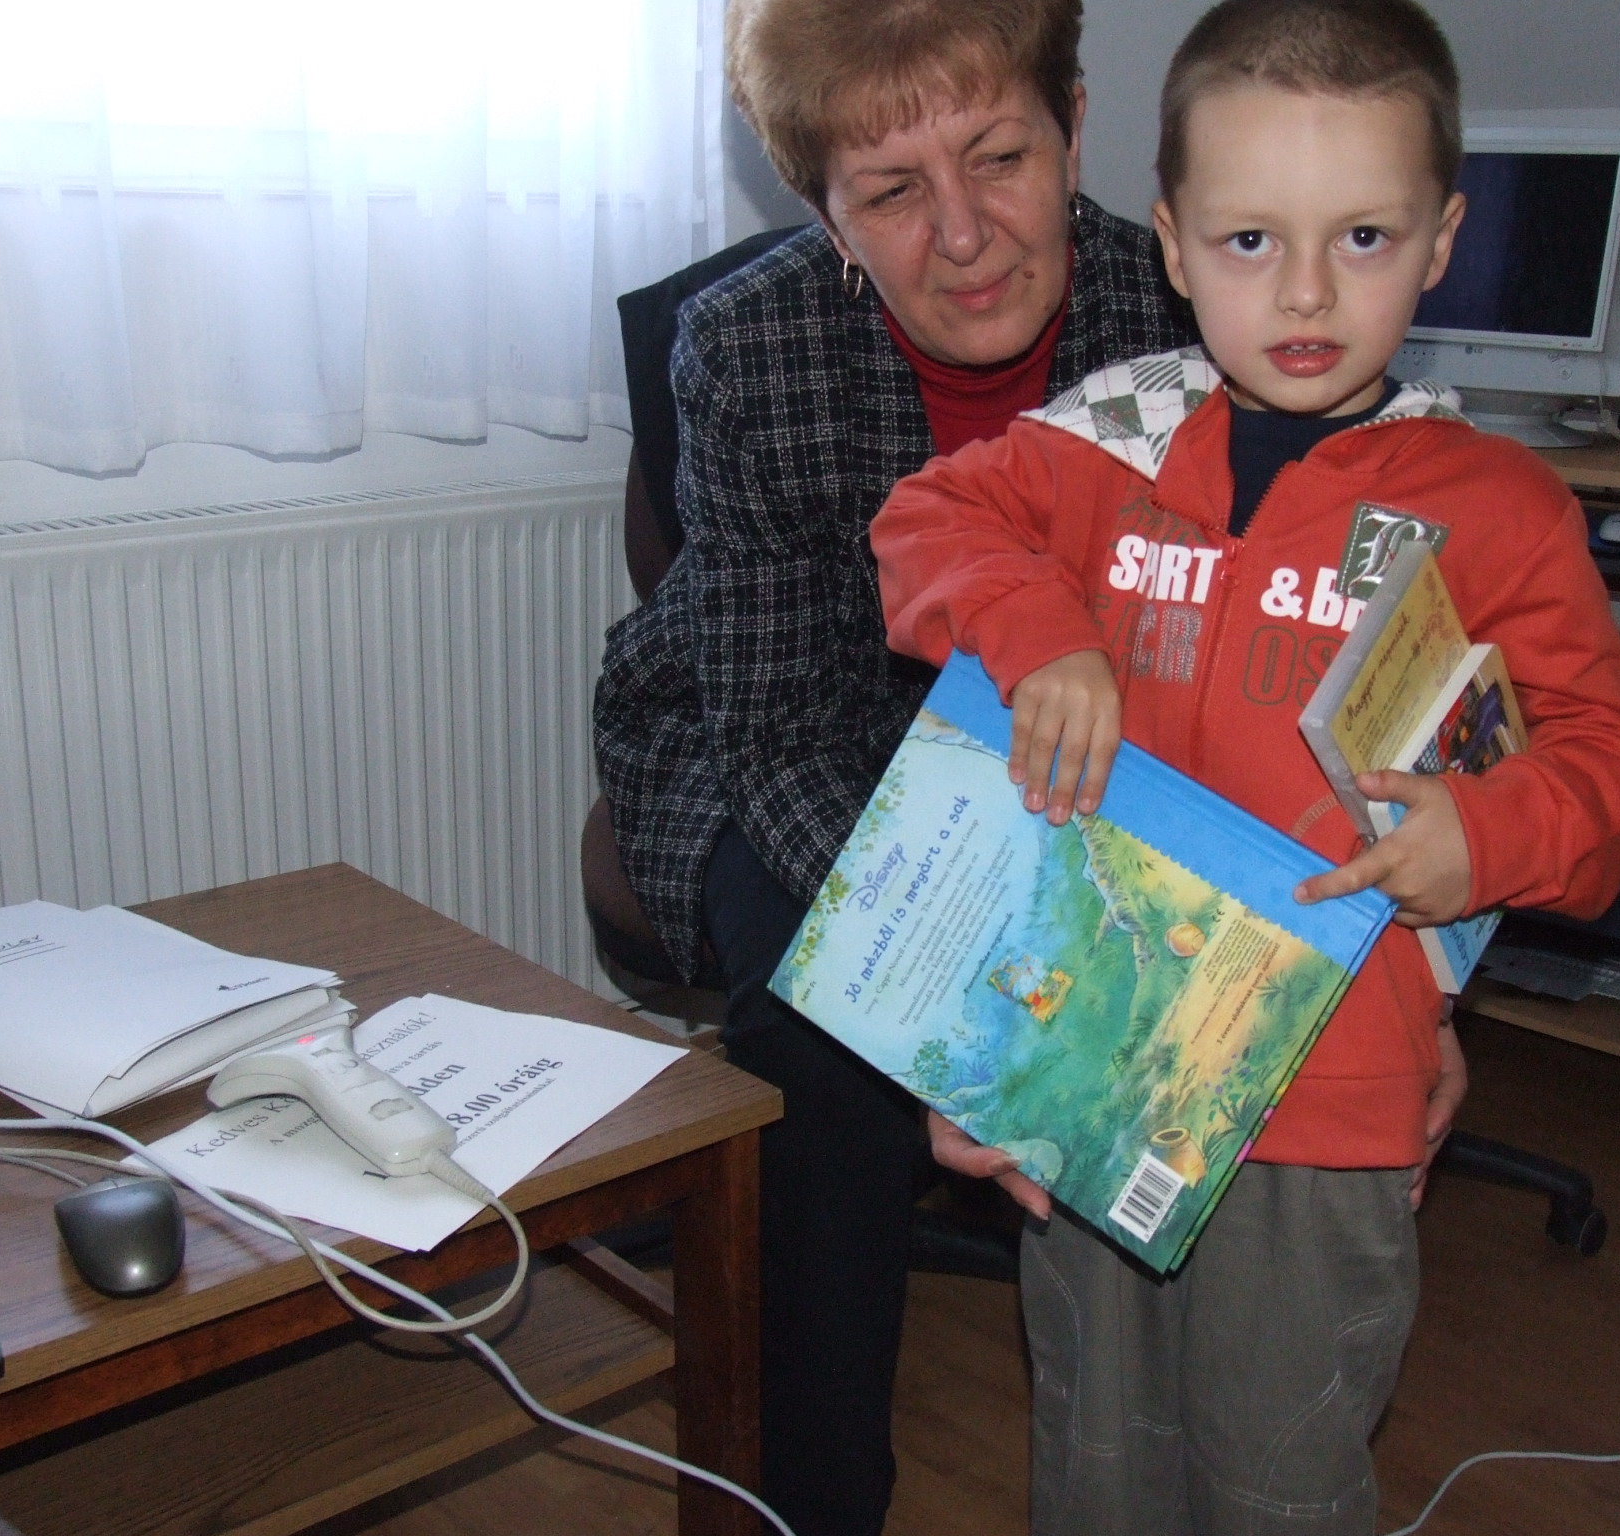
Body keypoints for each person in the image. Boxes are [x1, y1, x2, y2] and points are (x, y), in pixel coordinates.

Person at [869, 1, 1620, 1530]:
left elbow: (1615, 756)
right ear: (1173, 246)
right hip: (1094, 1056)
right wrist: (1039, 633)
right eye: (1251, 242)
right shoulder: (1102, 447)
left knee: (1279, 1483)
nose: (1306, 290)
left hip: (1325, 1102)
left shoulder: (1499, 507)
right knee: (1095, 1468)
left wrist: (1490, 832)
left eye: (1363, 237)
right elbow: (924, 522)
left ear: (1440, 243)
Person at [591, 3, 1201, 1532]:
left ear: (1074, 124)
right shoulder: (752, 342)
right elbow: (782, 732)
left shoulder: (1189, 303)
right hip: (786, 738)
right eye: (891, 192)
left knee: (1183, 998)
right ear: (825, 216)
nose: (966, 236)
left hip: (1084, 739)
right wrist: (963, 980)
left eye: (1000, 158)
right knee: (825, 1028)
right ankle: (813, 1504)